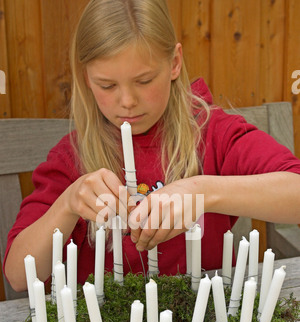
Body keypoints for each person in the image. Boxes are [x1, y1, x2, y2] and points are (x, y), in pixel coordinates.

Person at [4, 0, 300, 293]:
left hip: (209, 315)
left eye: (144, 81)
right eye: (107, 85)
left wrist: (202, 191)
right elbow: (18, 276)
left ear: (174, 63)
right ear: (87, 79)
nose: (128, 100)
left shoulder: (212, 134)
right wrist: (67, 205)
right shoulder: (72, 159)